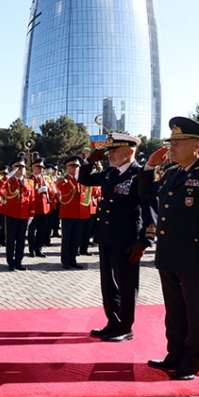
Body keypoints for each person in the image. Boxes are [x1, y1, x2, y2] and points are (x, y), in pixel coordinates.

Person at [139, 117, 199, 380]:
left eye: (177, 143)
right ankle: (175, 354)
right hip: (170, 253)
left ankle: (193, 362)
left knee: (196, 311)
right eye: (170, 142)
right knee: (174, 310)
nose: (171, 147)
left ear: (196, 145)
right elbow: (146, 194)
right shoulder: (173, 172)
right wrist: (150, 165)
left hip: (197, 256)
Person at [79, 135, 157, 342]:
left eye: (114, 151)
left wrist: (145, 242)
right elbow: (84, 180)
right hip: (106, 236)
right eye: (109, 151)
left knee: (127, 285)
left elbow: (151, 210)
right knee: (108, 285)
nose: (110, 155)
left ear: (129, 152)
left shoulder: (140, 174)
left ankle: (125, 327)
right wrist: (90, 161)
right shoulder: (110, 172)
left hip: (127, 240)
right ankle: (112, 322)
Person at [0, 155, 33, 271]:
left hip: (23, 214)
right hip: (11, 214)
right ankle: (10, 262)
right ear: (14, 169)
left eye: (23, 167)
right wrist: (8, 176)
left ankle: (19, 262)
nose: (21, 169)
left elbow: (31, 199)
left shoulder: (29, 182)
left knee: (21, 240)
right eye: (18, 167)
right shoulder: (8, 182)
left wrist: (32, 214)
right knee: (11, 239)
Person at [57, 156, 91, 270]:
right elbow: (63, 191)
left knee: (77, 238)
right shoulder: (63, 180)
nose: (75, 168)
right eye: (73, 166)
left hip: (80, 212)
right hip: (68, 213)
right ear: (67, 168)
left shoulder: (82, 179)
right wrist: (75, 181)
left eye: (77, 166)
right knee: (67, 238)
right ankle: (65, 260)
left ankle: (73, 259)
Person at [27, 158, 53, 258]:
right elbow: (28, 193)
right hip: (34, 208)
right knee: (32, 231)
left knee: (42, 231)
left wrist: (48, 187)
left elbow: (53, 192)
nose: (41, 169)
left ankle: (39, 249)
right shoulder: (30, 179)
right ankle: (31, 249)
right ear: (33, 168)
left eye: (42, 167)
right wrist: (37, 191)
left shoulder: (46, 179)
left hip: (44, 209)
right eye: (39, 167)